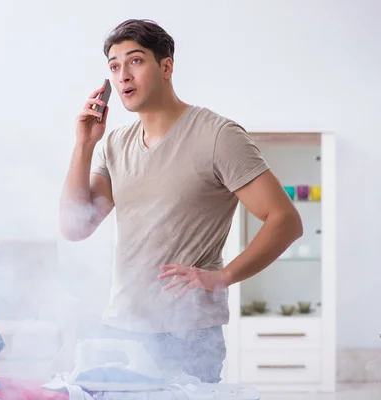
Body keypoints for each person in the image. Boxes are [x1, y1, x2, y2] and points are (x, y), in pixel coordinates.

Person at [58, 19, 303, 383]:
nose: (123, 75)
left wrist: (224, 277)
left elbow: (285, 221)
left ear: (166, 66)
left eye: (135, 61)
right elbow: (76, 227)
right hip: (122, 325)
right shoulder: (113, 145)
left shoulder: (217, 136)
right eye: (114, 66)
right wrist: (83, 145)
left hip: (186, 334)